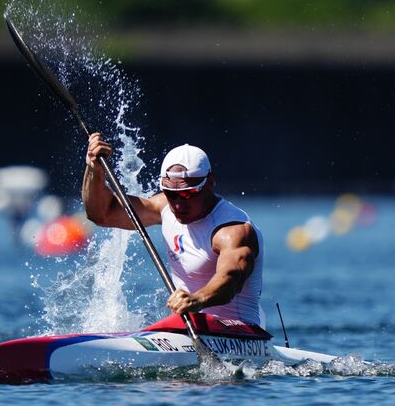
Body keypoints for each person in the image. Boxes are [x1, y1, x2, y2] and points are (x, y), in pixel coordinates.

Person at [83, 133, 265, 327]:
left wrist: (197, 299)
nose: (178, 205)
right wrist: (94, 169)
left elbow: (231, 279)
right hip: (189, 325)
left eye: (188, 194)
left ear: (210, 182)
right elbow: (101, 214)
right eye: (171, 194)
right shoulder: (163, 207)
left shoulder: (233, 230)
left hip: (240, 331)